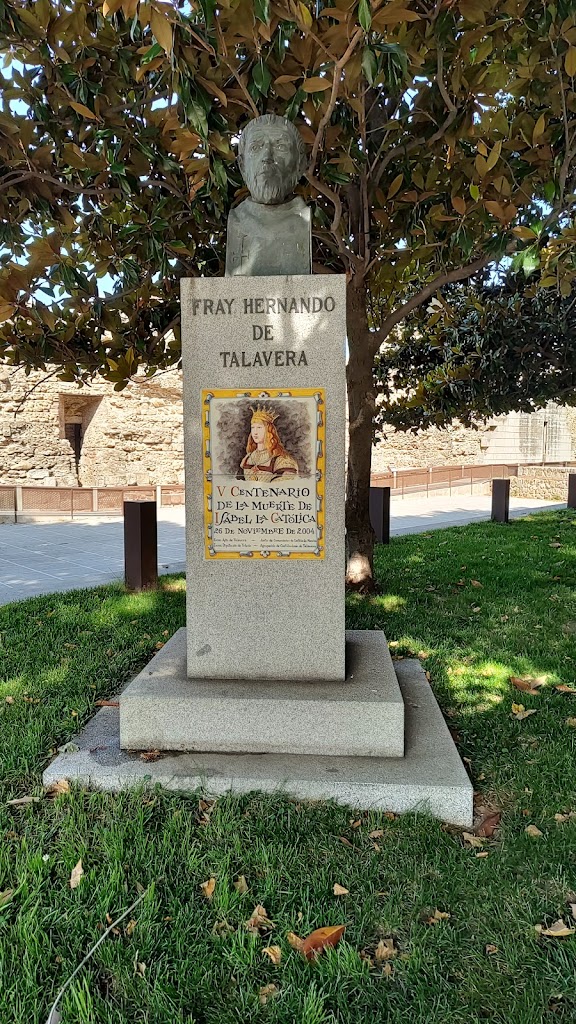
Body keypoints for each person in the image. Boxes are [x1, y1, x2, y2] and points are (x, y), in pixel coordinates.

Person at [225, 114, 311, 276]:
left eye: (281, 147)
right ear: (242, 166)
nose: (267, 158)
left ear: (300, 165)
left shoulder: (303, 220)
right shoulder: (236, 220)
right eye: (256, 147)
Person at [239, 404, 298, 482]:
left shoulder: (282, 459)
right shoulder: (248, 457)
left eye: (259, 427)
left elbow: (286, 485)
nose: (255, 432)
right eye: (253, 428)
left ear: (268, 431)